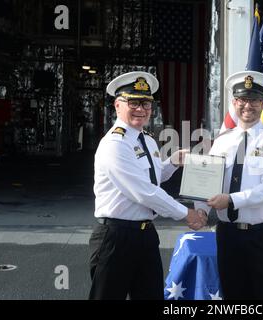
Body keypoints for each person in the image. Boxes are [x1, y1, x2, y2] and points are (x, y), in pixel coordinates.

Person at [89, 71, 207, 300]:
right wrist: (186, 213)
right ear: (117, 105)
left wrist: (172, 162)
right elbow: (143, 191)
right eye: (133, 102)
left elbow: (152, 177)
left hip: (145, 236)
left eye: (146, 103)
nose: (141, 109)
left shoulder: (147, 139)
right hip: (115, 237)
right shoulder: (115, 144)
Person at [195, 71, 263, 299]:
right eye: (242, 100)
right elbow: (209, 181)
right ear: (234, 102)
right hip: (229, 236)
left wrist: (231, 200)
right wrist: (201, 210)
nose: (248, 106)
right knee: (232, 297)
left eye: (254, 100)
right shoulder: (221, 141)